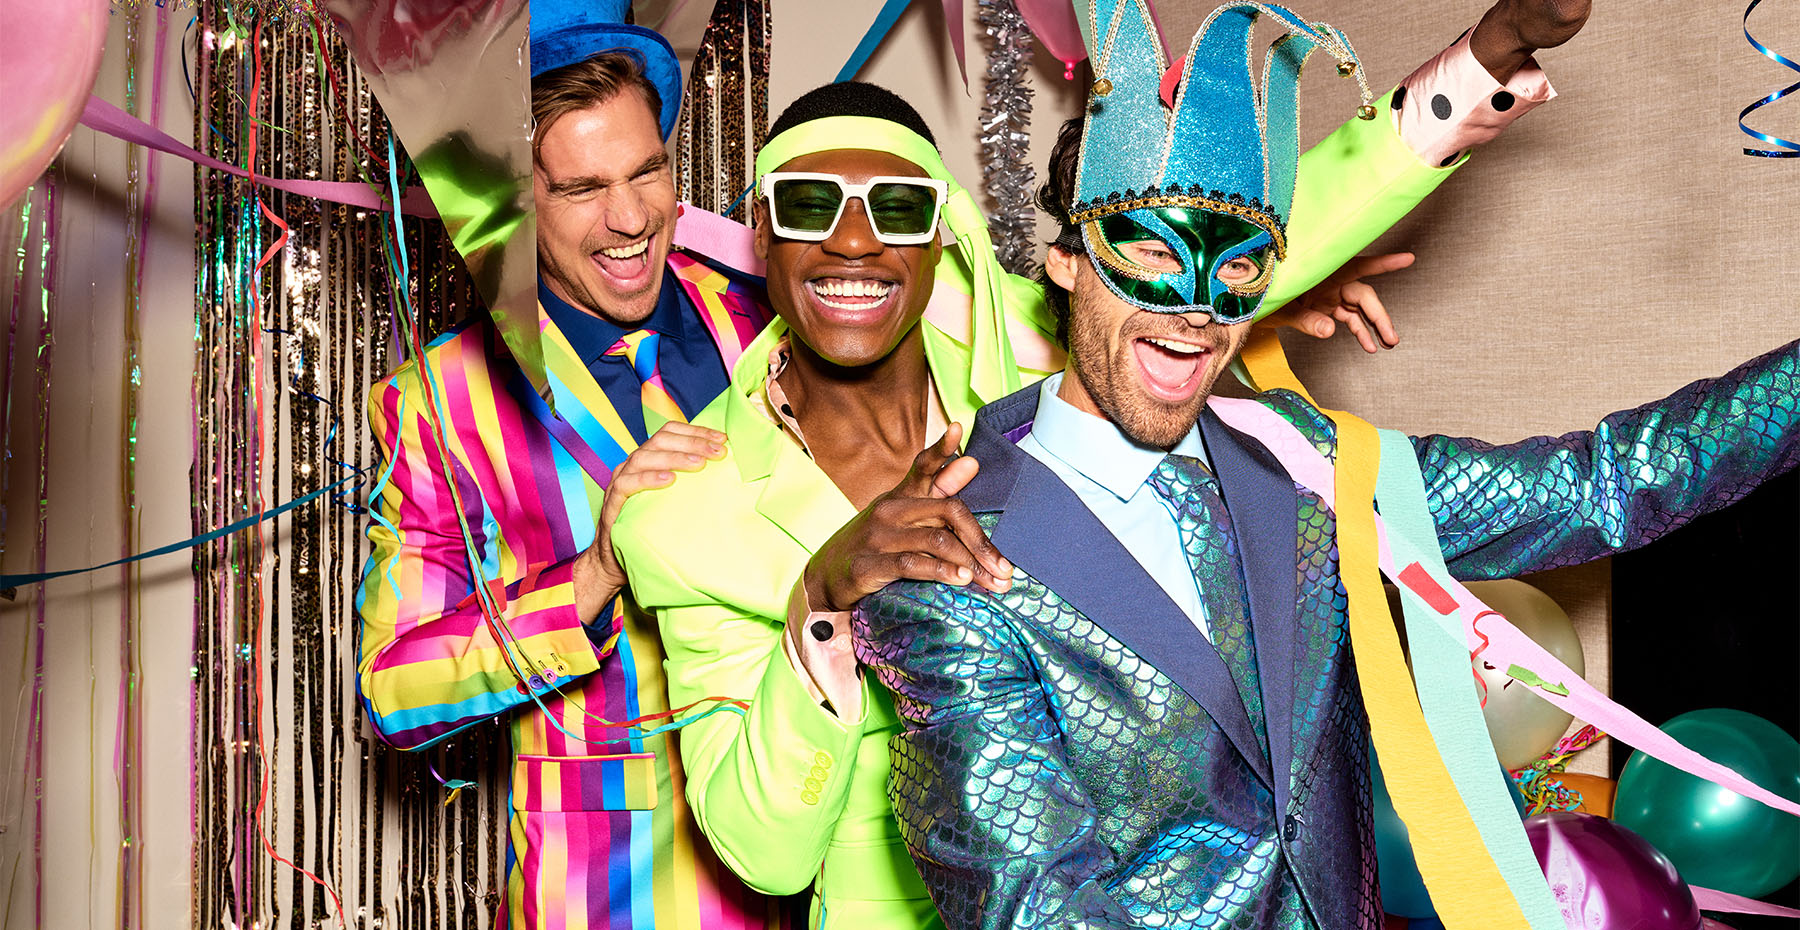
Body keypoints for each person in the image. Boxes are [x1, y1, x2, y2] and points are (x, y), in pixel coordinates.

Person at [611, 0, 1580, 923]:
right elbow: (762, 851)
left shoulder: (1033, 360)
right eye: (809, 204)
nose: (853, 240)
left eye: (896, 206)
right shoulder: (688, 512)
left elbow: (1214, 216)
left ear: (942, 228)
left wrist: (1487, 54)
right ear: (760, 237)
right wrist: (818, 601)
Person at [848, 3, 1798, 928]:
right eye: (1147, 251)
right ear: (1064, 261)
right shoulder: (951, 556)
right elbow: (1033, 903)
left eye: (1235, 270)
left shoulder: (1304, 465)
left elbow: (1604, 486)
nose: (1194, 312)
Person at [354, 1, 800, 926]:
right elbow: (396, 690)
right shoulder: (440, 403)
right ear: (518, 199)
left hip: (811, 855)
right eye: (582, 188)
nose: (632, 218)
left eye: (648, 171)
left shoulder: (770, 322)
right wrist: (594, 572)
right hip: (609, 890)